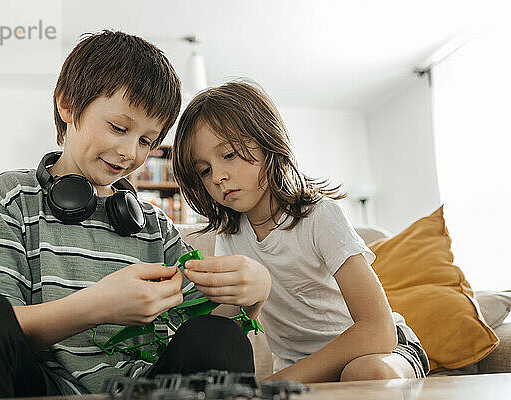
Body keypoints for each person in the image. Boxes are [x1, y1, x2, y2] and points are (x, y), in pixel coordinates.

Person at [0, 32, 269, 399]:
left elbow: (210, 344)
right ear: (67, 105)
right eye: (119, 127)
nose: (130, 152)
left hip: (144, 390)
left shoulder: (155, 227)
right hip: (42, 389)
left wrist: (255, 294)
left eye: (147, 140)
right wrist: (97, 306)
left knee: (218, 336)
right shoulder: (14, 197)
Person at [172, 80, 430, 383]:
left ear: (268, 142)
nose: (218, 177)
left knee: (364, 372)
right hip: (302, 368)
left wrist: (277, 383)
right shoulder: (230, 237)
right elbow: (227, 328)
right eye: (204, 170)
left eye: (228, 155)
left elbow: (378, 331)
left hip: (384, 351)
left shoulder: (320, 216)